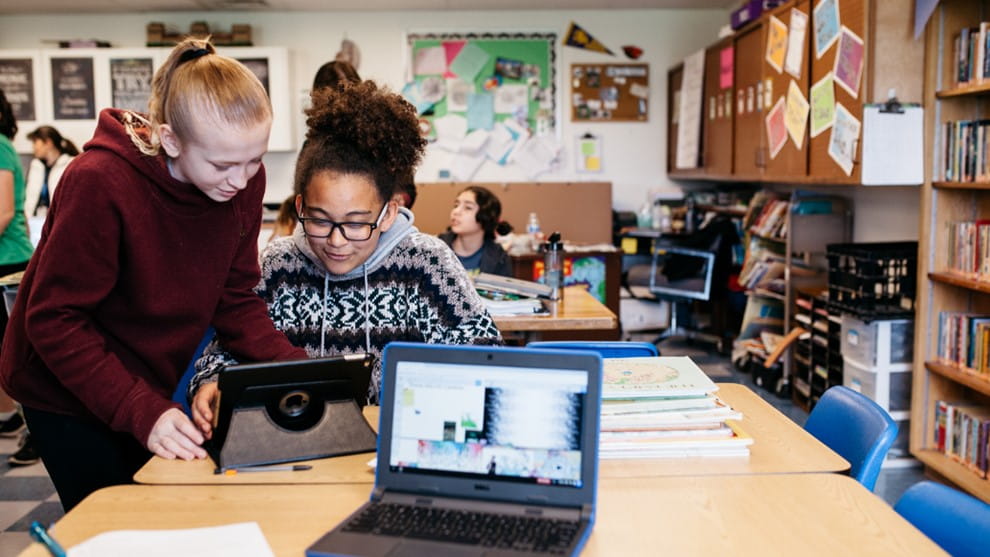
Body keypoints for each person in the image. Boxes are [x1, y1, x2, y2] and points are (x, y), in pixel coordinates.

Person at [0, 39, 308, 512]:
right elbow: (54, 319)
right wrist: (140, 410)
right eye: (224, 164)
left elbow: (235, 297)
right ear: (170, 140)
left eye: (254, 160)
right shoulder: (99, 181)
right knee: (112, 523)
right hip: (64, 388)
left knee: (163, 513)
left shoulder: (242, 182)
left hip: (143, 376)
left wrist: (300, 370)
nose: (242, 180)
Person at [188, 81, 502, 436]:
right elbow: (222, 351)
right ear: (301, 207)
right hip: (296, 455)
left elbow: (485, 357)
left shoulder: (425, 265)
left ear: (387, 213)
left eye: (356, 224)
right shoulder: (278, 265)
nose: (336, 241)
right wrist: (210, 382)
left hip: (394, 449)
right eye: (320, 220)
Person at [269, 59, 363, 243]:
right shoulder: (312, 147)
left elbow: (404, 190)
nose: (341, 106)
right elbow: (302, 193)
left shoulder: (372, 142)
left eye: (346, 97)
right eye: (334, 99)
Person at [0, 88, 36, 466]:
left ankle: (34, 431)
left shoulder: (0, 146)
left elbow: (4, 212)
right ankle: (18, 420)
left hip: (7, 261)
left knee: (17, 352)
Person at [439, 185, 513, 276]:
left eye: (468, 207)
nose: (456, 211)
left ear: (485, 216)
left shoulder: (498, 256)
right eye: (456, 205)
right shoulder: (436, 248)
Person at [24, 125, 79, 219]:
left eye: (35, 142)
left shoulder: (71, 164)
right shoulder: (36, 166)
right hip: (35, 222)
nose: (33, 147)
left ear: (48, 143)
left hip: (59, 222)